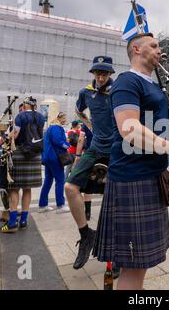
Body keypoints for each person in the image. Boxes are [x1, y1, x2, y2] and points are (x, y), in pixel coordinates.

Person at [92, 33, 169, 290]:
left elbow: (158, 126)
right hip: (132, 178)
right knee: (134, 266)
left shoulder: (152, 86)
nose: (159, 50)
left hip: (150, 175)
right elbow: (129, 129)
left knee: (139, 265)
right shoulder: (127, 81)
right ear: (136, 50)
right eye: (154, 45)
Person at [64, 55, 115, 270]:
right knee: (70, 186)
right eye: (98, 73)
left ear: (110, 74)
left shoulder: (119, 90)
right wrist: (89, 124)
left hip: (117, 148)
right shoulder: (86, 92)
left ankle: (116, 253)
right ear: (93, 73)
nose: (101, 77)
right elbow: (77, 110)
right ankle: (86, 235)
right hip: (95, 147)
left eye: (105, 73)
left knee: (115, 200)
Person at [0, 96, 45, 233]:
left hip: (20, 152)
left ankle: (13, 222)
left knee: (14, 188)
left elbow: (16, 133)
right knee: (27, 188)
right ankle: (24, 221)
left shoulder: (20, 117)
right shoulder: (41, 117)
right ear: (35, 106)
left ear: (25, 105)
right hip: (35, 154)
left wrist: (6, 137)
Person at [38, 112, 71, 213]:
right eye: (64, 119)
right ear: (60, 119)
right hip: (55, 158)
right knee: (60, 180)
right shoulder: (57, 127)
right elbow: (58, 141)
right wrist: (67, 145)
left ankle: (43, 205)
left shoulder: (49, 128)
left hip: (47, 157)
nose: (65, 121)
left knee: (48, 180)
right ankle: (60, 205)